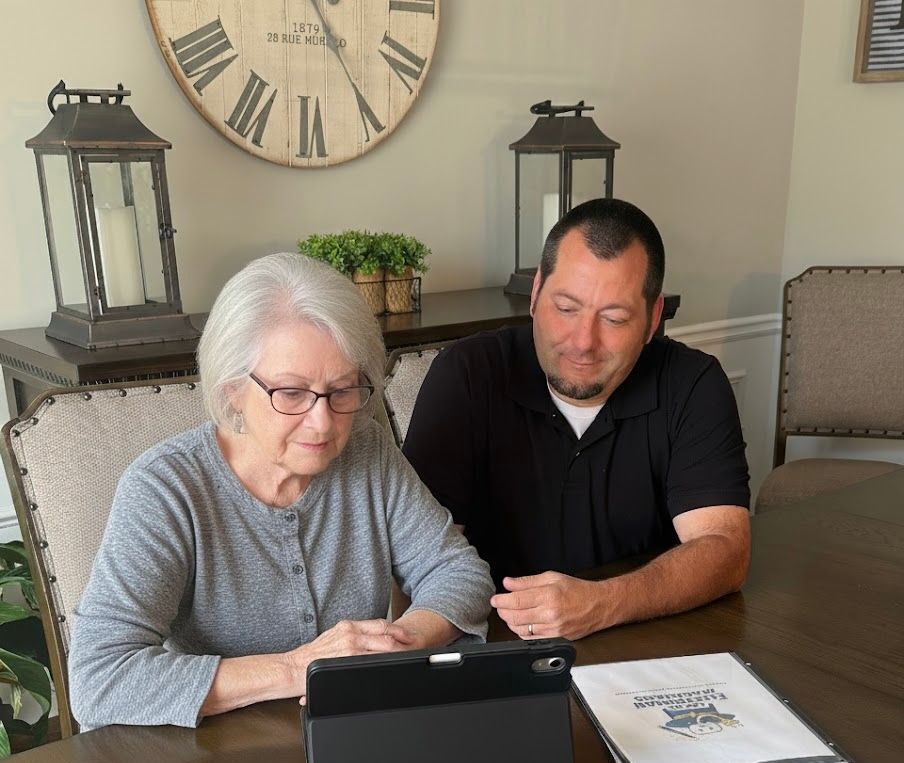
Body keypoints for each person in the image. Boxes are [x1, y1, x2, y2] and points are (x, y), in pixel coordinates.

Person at [69, 253, 494, 730]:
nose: (323, 422)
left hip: (349, 736)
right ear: (233, 391)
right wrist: (300, 668)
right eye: (291, 393)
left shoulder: (367, 449)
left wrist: (397, 643)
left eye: (342, 390)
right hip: (210, 762)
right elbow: (99, 680)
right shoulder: (167, 488)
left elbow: (457, 571)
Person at [402, 198, 751, 641]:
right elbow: (420, 561)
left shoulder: (692, 384)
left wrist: (602, 603)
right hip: (494, 645)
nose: (583, 342)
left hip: (644, 639)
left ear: (652, 319)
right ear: (535, 296)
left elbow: (726, 550)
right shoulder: (468, 374)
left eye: (614, 318)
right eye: (565, 309)